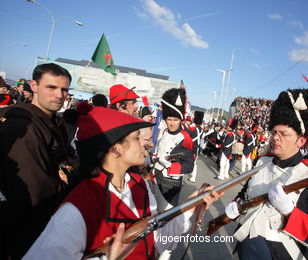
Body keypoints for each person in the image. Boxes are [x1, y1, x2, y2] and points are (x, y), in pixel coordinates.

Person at [23, 104, 221, 260]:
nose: (145, 142)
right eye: (136, 137)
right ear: (115, 149)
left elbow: (158, 240)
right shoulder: (76, 208)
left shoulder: (139, 184)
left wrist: (192, 205)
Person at [224, 79, 308, 260]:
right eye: (274, 132)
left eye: (284, 134)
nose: (275, 138)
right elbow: (245, 193)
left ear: (301, 141)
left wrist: (290, 213)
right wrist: (237, 204)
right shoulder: (262, 162)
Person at [0, 63, 77, 259]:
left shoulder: (55, 121)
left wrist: (70, 171)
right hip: (23, 228)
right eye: (51, 87)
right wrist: (65, 182)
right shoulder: (20, 127)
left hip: (47, 223)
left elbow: (70, 158)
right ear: (34, 86)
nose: (60, 95)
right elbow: (33, 189)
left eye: (64, 89)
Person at [154, 88, 195, 207]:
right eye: (169, 119)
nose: (171, 123)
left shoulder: (186, 138)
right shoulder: (163, 132)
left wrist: (170, 166)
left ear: (180, 120)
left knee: (166, 215)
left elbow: (189, 166)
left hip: (171, 182)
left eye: (175, 120)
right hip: (156, 177)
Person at [187, 111, 204, 183]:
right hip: (196, 148)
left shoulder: (193, 128)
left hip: (190, 147)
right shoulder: (201, 129)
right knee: (194, 163)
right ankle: (193, 177)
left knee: (184, 162)